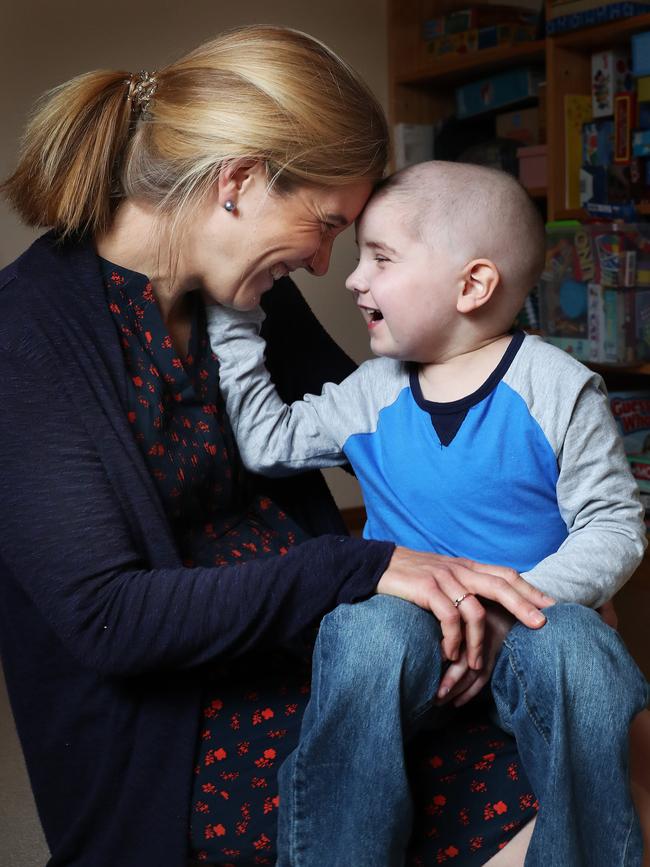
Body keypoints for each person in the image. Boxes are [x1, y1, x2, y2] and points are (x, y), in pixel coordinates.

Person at [0, 26, 555, 867]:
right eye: (327, 225)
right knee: (548, 804)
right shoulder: (26, 335)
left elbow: (398, 431)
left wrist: (540, 558)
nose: (328, 263)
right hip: (181, 728)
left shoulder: (252, 299)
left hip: (329, 650)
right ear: (239, 180)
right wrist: (358, 569)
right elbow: (109, 619)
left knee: (611, 736)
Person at [205, 160, 650, 866]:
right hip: (410, 622)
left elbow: (614, 523)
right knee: (362, 636)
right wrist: (234, 317)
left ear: (471, 284)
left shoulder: (558, 388)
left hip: (528, 622)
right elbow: (269, 440)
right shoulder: (369, 390)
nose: (354, 279)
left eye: (379, 258)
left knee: (585, 658)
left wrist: (514, 604)